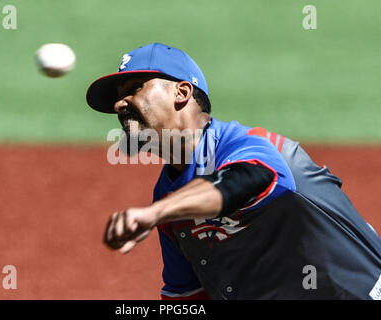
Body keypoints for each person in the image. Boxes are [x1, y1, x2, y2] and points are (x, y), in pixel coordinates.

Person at [86, 43, 381, 300]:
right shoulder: (167, 194)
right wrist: (162, 210)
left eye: (134, 88)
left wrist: (157, 213)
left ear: (182, 91)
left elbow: (249, 179)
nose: (118, 104)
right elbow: (187, 292)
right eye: (118, 96)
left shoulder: (251, 144)